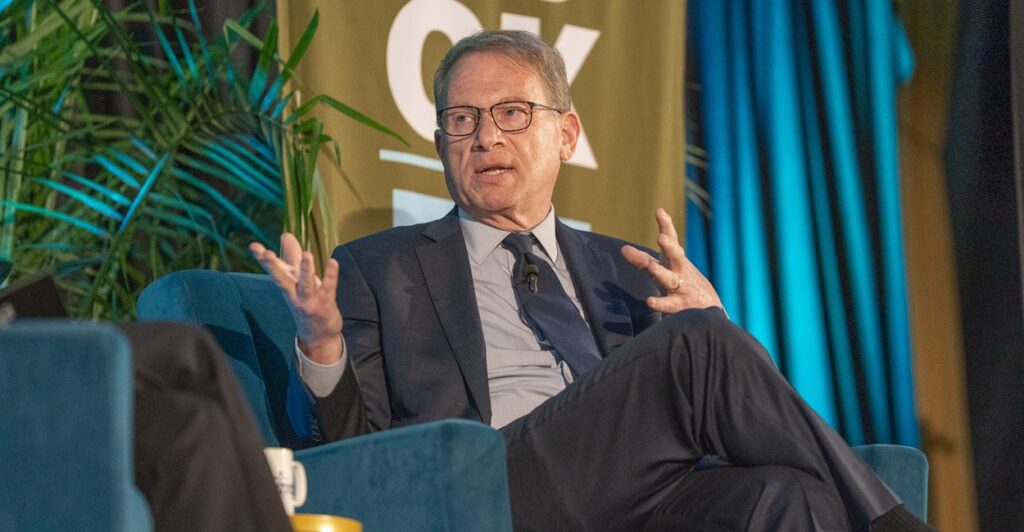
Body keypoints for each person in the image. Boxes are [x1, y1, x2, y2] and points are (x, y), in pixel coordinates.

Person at [251, 30, 930, 531]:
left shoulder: (625, 270)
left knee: (793, 499)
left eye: (511, 113)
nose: (485, 137)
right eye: (462, 120)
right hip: (494, 488)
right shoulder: (379, 267)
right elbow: (353, 454)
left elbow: (682, 420)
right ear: (440, 145)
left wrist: (711, 319)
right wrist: (322, 345)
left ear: (567, 135)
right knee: (699, 343)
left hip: (640, 502)